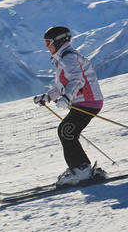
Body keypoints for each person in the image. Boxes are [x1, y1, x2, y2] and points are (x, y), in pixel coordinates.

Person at [33, 26, 105, 186]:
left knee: (66, 131)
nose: (47, 47)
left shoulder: (68, 57)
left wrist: (66, 97)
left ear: (58, 41)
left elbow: (77, 79)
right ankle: (81, 168)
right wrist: (47, 97)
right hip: (85, 102)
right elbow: (61, 87)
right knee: (67, 132)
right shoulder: (63, 58)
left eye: (48, 43)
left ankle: (81, 170)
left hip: (88, 101)